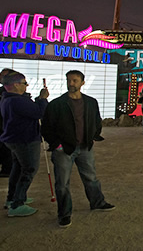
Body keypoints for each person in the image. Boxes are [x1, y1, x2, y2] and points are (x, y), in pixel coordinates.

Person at [41, 70, 115, 228]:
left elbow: (96, 120)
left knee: (91, 178)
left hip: (85, 147)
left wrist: (93, 136)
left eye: (75, 80)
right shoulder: (57, 104)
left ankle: (97, 202)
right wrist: (56, 144)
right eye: (69, 80)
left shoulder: (91, 102)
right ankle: (64, 214)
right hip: (63, 149)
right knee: (62, 183)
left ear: (82, 83)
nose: (71, 83)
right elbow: (46, 127)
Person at [0, 71, 49, 217]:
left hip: (14, 138)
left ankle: (13, 197)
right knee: (29, 169)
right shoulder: (17, 101)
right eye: (24, 83)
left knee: (18, 168)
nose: (26, 86)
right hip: (25, 139)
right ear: (15, 85)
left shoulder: (7, 98)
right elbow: (38, 113)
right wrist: (43, 99)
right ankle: (17, 204)